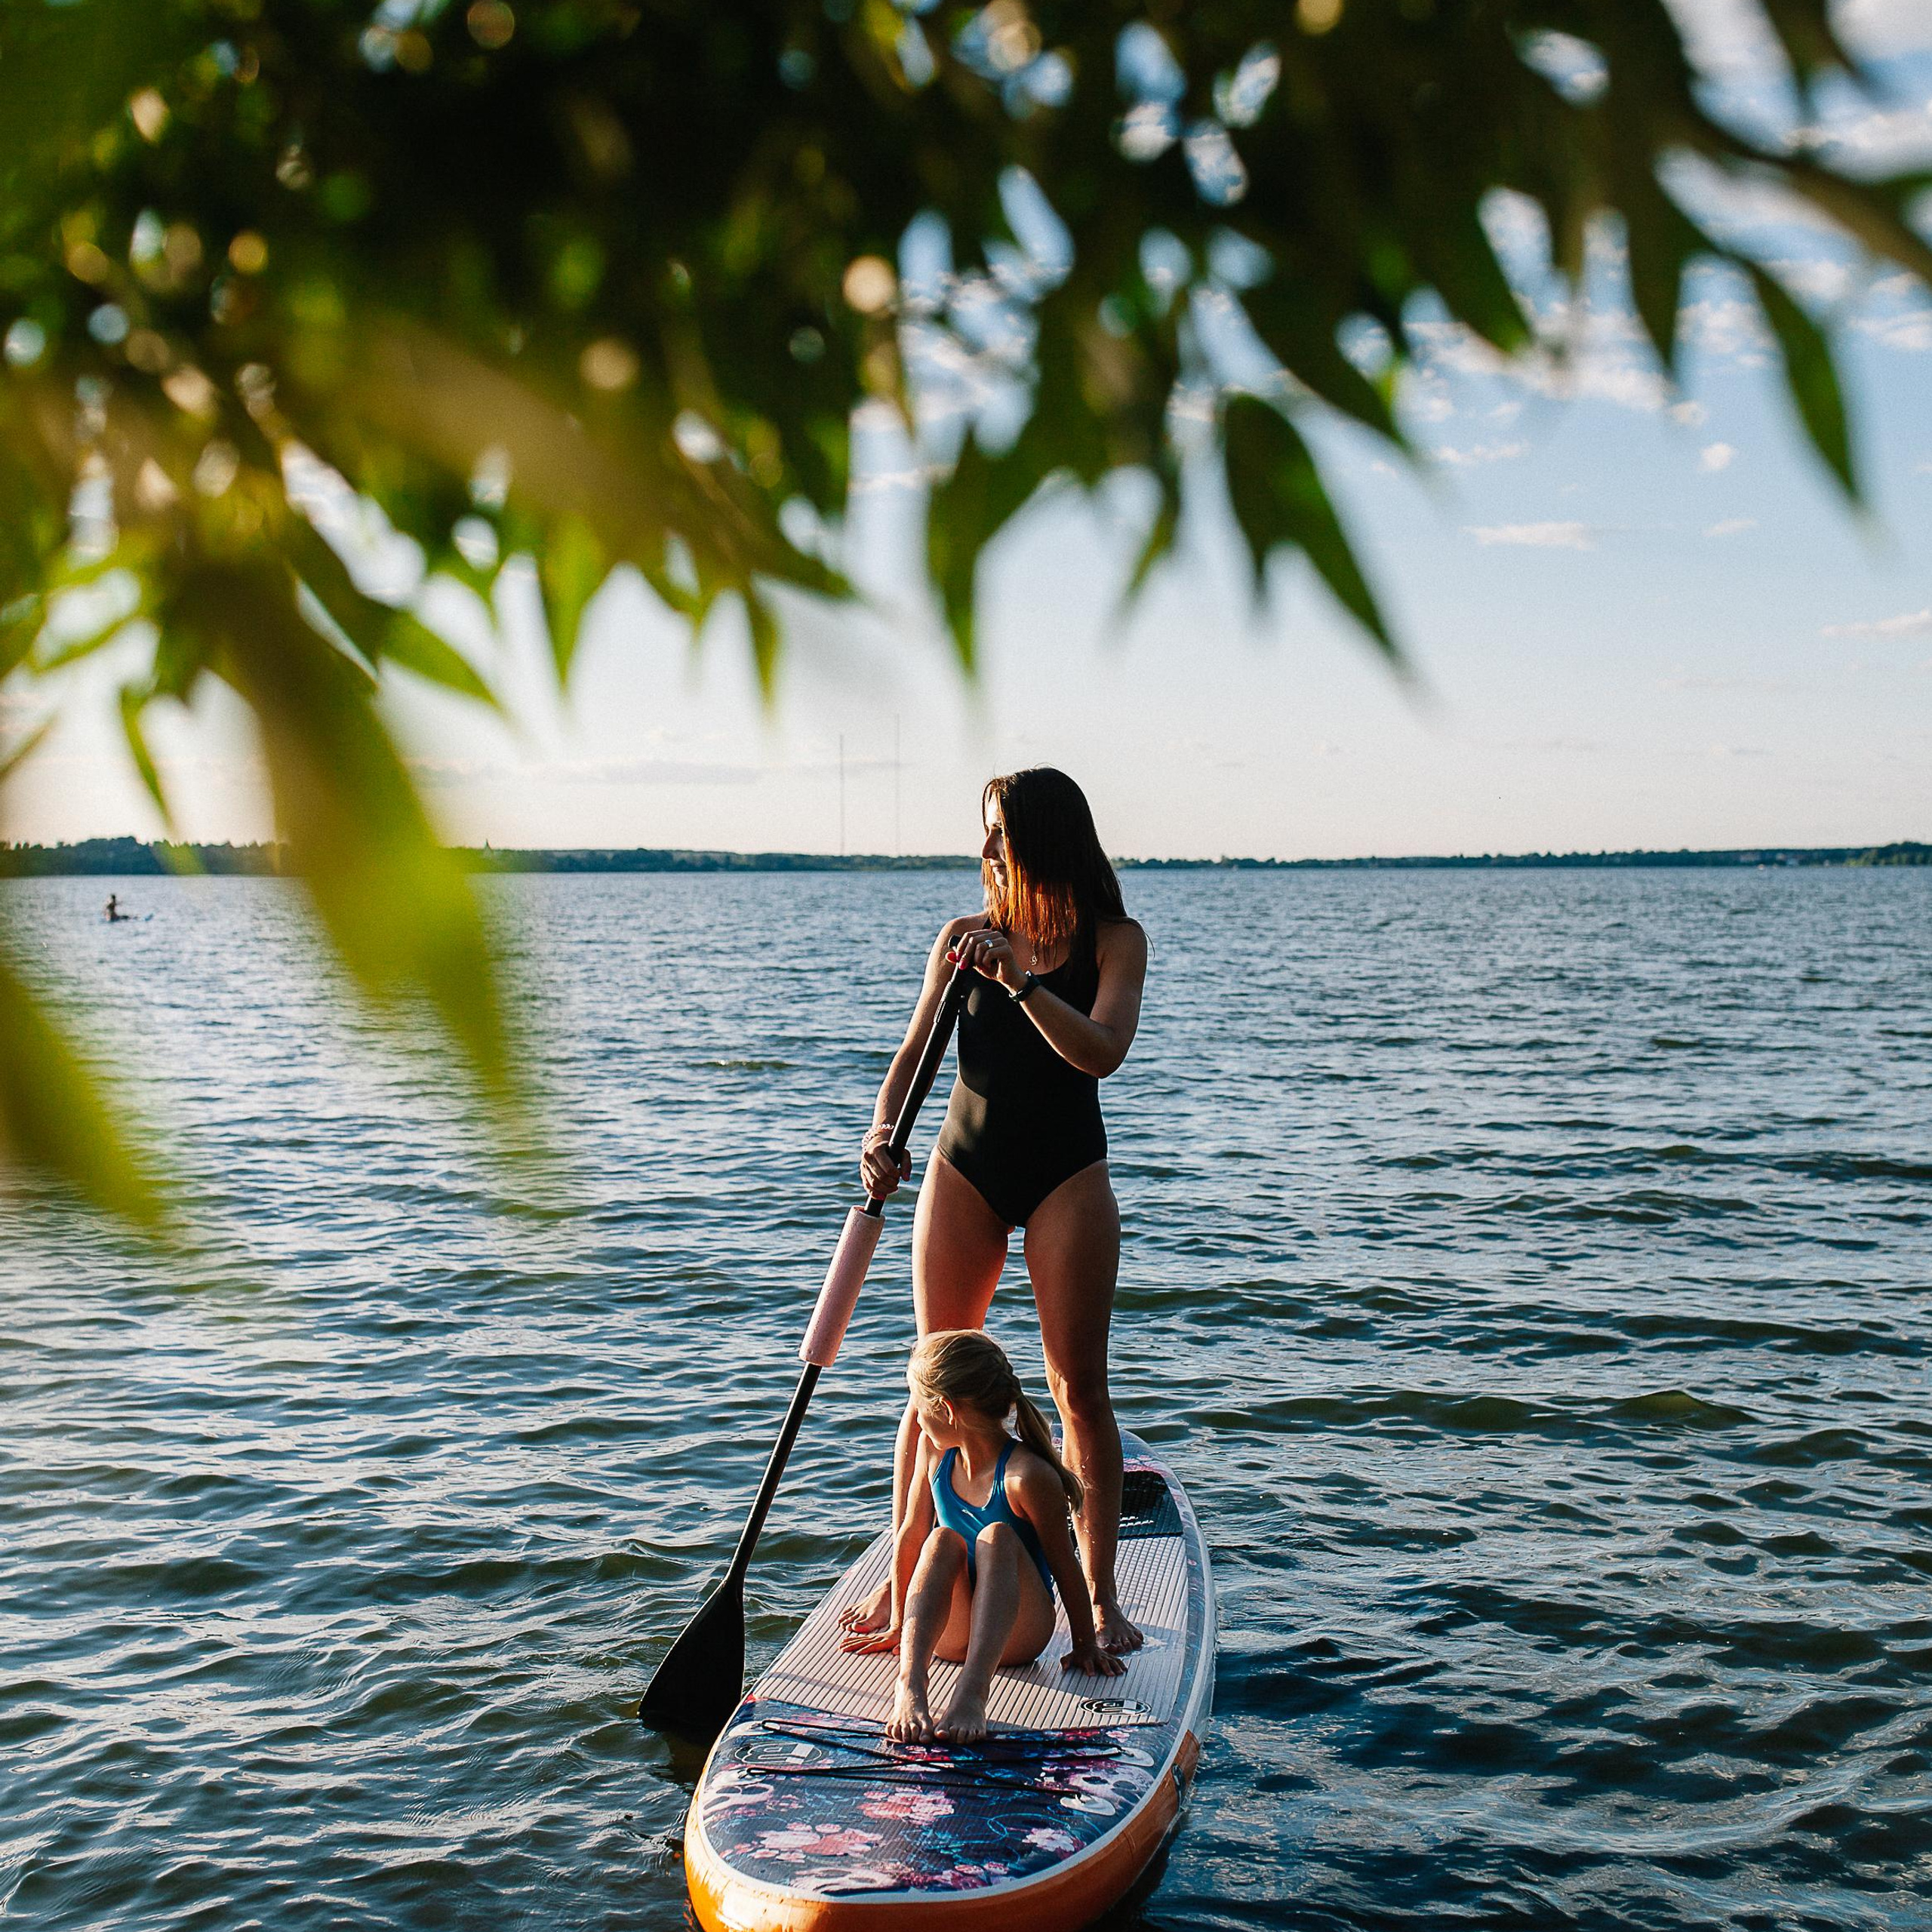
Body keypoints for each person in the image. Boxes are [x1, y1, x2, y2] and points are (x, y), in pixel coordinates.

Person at [841, 766, 1149, 1654]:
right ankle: (904, 1582)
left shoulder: (1115, 941)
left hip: (1066, 1175)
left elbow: (1102, 1051)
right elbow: (912, 1055)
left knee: (1077, 1389)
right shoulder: (960, 938)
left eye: (1000, 832)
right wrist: (880, 1131)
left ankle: (1100, 1596)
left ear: (1044, 838)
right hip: (963, 1169)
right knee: (931, 1385)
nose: (985, 848)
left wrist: (1020, 981)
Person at [871, 1329, 1124, 1744]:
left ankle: (972, 1692)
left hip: (1017, 1638)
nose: (916, 1420)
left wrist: (1085, 1644)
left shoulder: (1027, 1476)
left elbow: (1064, 1565)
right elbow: (911, 1535)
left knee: (997, 1537)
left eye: (918, 1406)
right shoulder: (934, 1453)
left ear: (946, 1409)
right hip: (951, 1635)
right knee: (940, 1540)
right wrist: (901, 1622)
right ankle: (911, 1685)